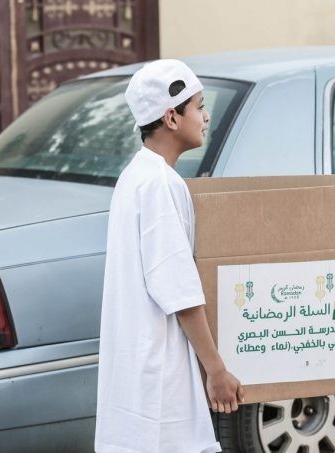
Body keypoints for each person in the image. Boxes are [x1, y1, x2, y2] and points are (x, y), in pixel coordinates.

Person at [95, 59, 243, 453]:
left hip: (135, 373)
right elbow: (178, 290)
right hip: (159, 377)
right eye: (199, 106)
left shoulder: (135, 176)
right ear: (171, 117)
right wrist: (216, 370)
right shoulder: (160, 183)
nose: (206, 117)